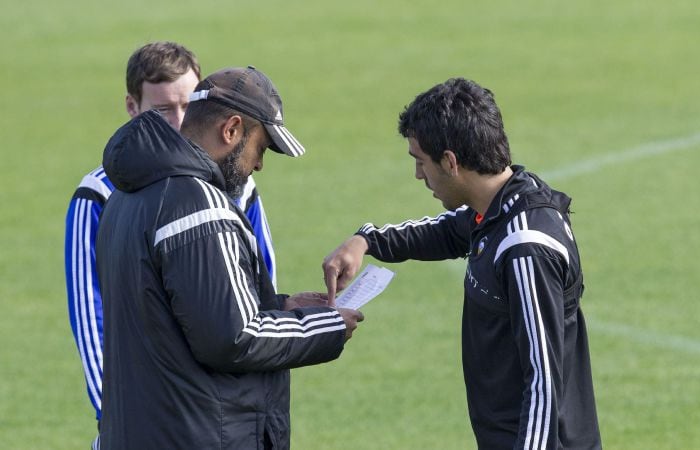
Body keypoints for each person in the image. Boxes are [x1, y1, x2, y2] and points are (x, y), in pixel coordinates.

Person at [323, 78, 601, 449]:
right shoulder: (500, 206)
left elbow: (544, 380)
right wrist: (367, 241)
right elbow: (447, 232)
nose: (419, 175)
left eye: (421, 162)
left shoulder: (525, 248)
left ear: (450, 161)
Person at [95, 66, 364, 449]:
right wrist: (326, 326)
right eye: (261, 147)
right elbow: (233, 338)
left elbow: (176, 313)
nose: (259, 165)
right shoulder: (198, 205)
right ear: (231, 129)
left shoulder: (127, 197)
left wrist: (279, 306)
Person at [64, 41, 279, 424]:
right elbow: (90, 318)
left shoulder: (239, 187)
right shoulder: (99, 194)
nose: (180, 121)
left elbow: (260, 291)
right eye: (163, 110)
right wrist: (112, 414)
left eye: (188, 105)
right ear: (133, 108)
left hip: (220, 418)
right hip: (143, 414)